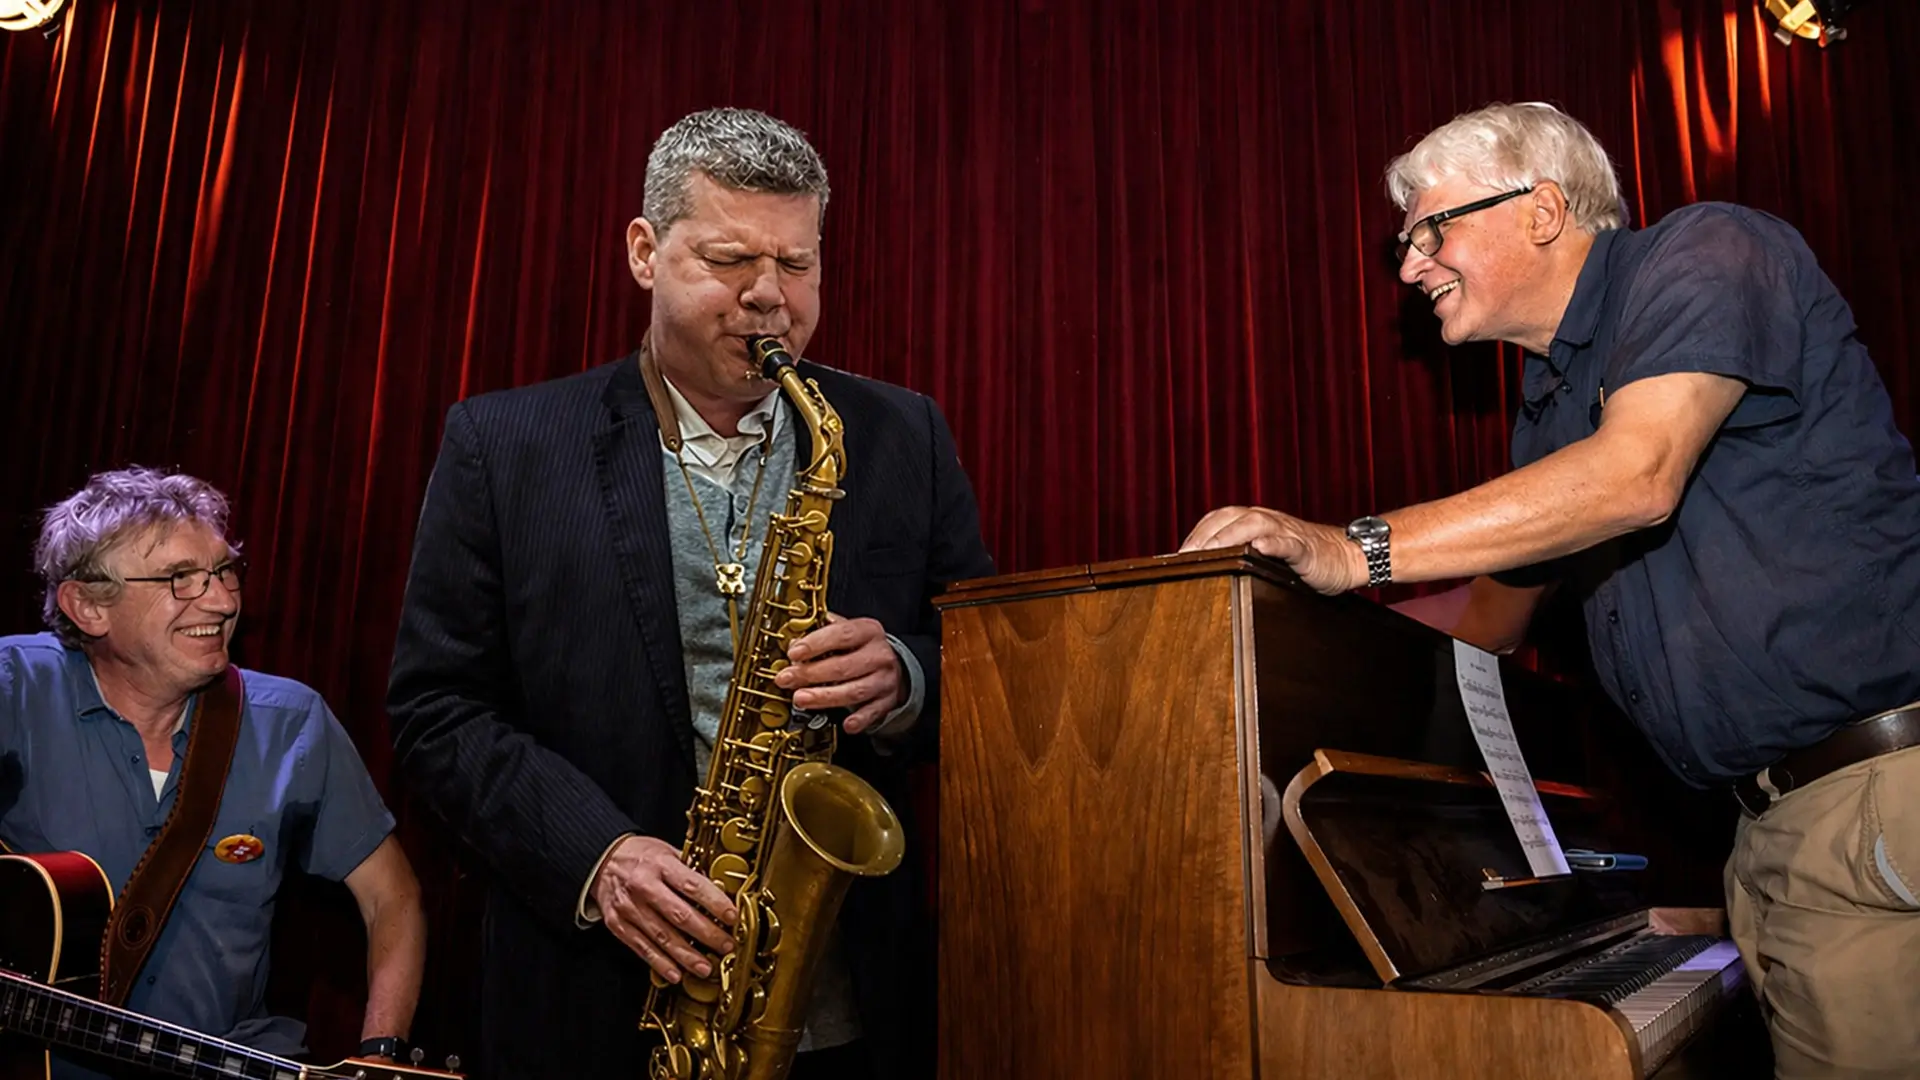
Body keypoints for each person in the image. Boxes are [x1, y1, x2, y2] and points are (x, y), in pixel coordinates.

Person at [1182, 101, 1920, 1079]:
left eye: (1431, 232)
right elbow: (1485, 625)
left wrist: (1347, 548)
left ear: (1539, 209)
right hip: (1769, 833)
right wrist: (1273, 632)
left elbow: (1636, 477)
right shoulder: (1549, 415)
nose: (1409, 268)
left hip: (1874, 795)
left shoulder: (1706, 252)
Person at [388, 106, 995, 1080]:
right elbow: (435, 712)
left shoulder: (901, 434)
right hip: (592, 1001)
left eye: (797, 266)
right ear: (644, 250)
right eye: (728, 260)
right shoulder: (503, 446)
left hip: (845, 1013)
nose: (769, 299)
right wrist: (599, 857)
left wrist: (907, 676)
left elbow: (991, 665)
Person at [0, 467, 425, 1078]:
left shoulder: (290, 724)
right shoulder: (16, 688)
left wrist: (379, 1053)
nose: (224, 601)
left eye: (225, 571)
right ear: (89, 606)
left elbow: (395, 898)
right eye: (180, 579)